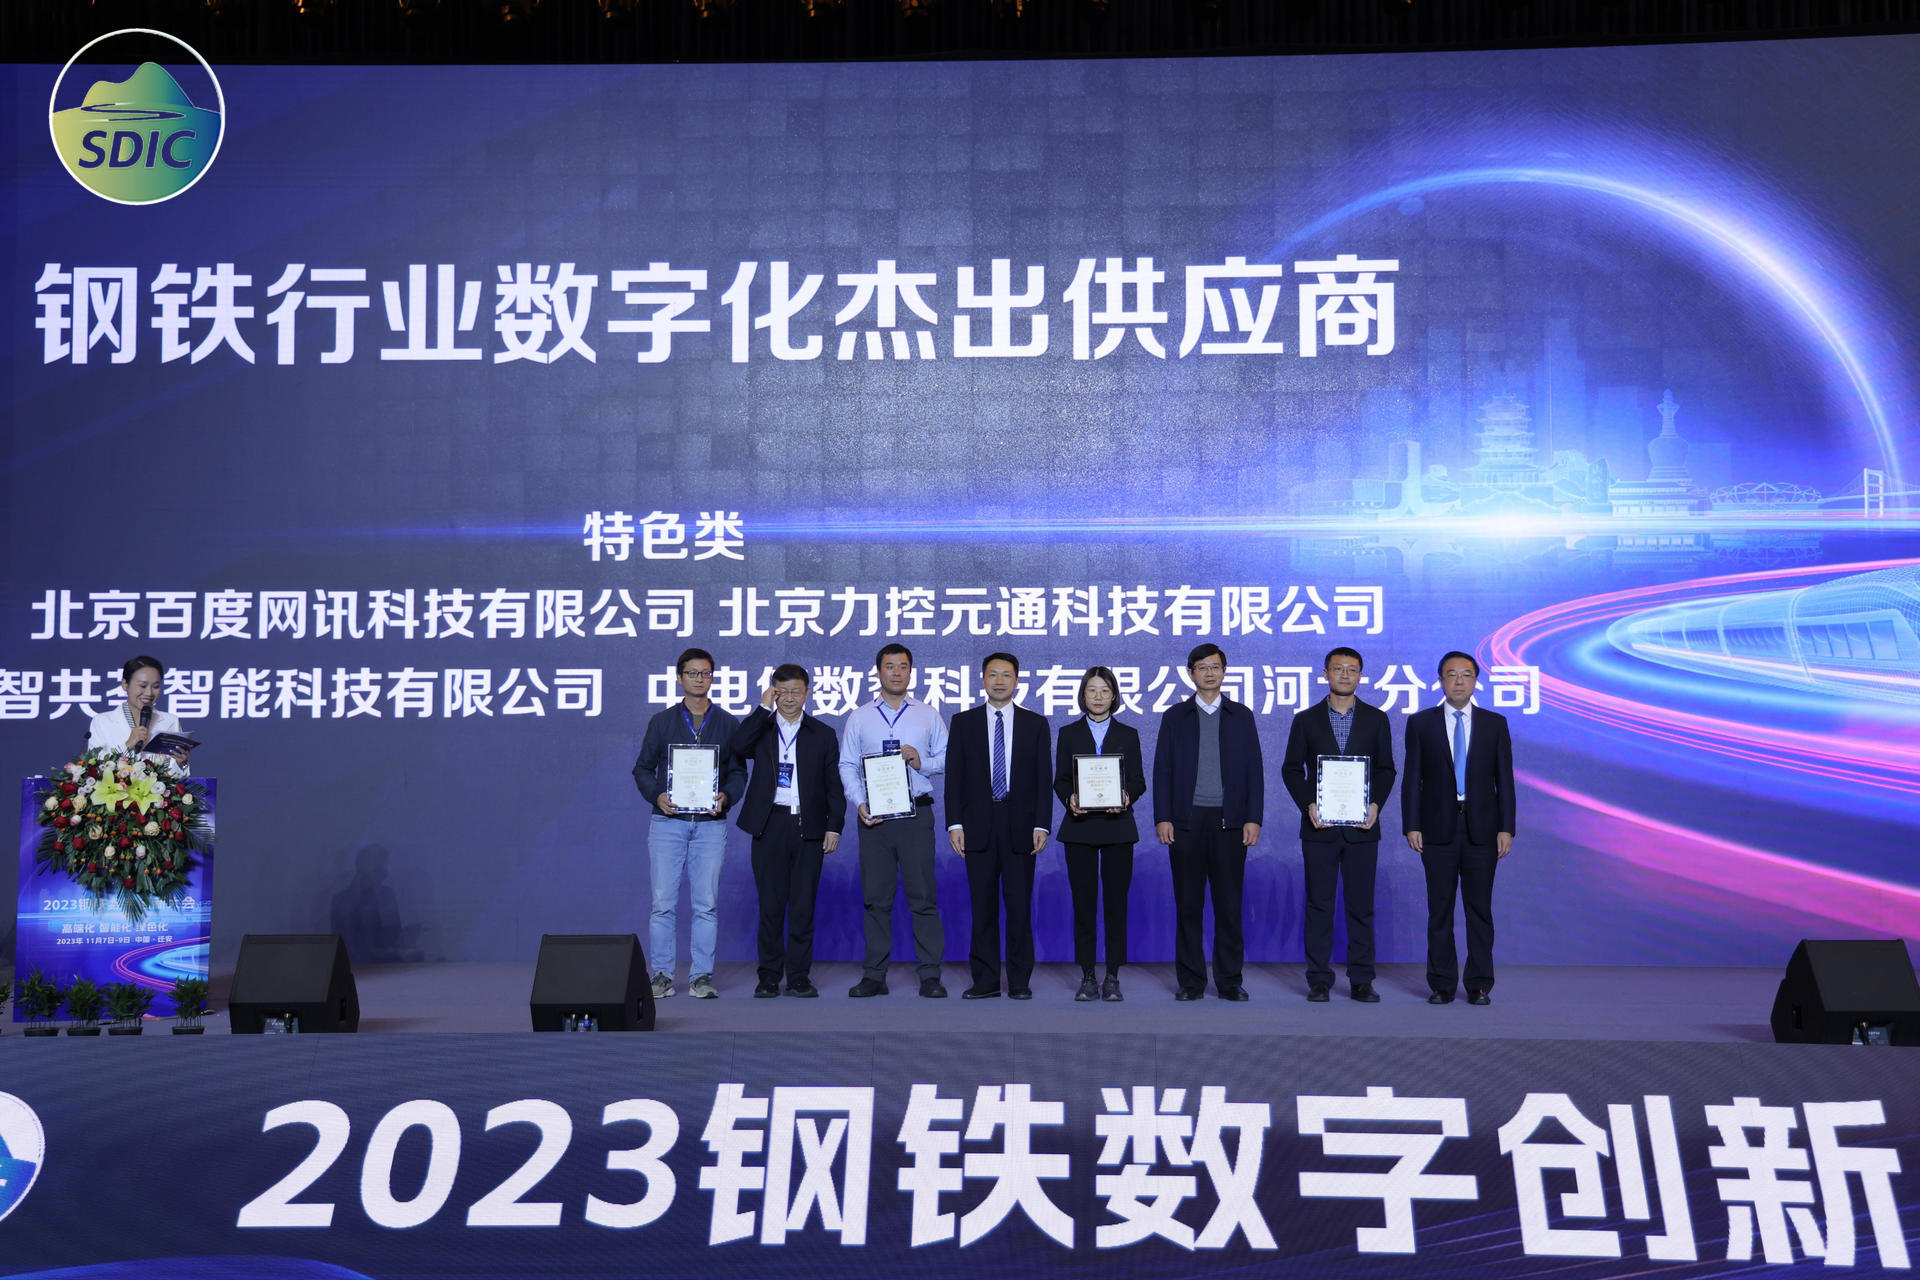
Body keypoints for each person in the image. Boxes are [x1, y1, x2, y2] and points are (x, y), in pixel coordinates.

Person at [1281, 645, 1397, 1003]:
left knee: (1361, 906)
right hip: (1320, 828)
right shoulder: (1306, 720)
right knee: (1319, 905)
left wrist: (1375, 803)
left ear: (1360, 675)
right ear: (1326, 674)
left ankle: (1362, 979)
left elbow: (1386, 769)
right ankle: (1319, 979)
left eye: (1352, 669)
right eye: (1338, 668)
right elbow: (1291, 769)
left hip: (1363, 828)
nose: (1345, 674)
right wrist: (1309, 804)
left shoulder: (1377, 719)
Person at [631, 648, 746, 1001]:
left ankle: (701, 977)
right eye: (693, 673)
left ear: (713, 678)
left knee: (706, 905)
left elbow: (738, 772)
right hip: (668, 823)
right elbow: (642, 768)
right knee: (662, 904)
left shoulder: (727, 723)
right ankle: (662, 975)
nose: (700, 679)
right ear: (679, 678)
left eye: (706, 673)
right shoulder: (662, 721)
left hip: (710, 825)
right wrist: (657, 796)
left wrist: (727, 796)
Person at [1403, 651, 1516, 1006]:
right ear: (1440, 680)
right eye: (1451, 674)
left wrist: (1506, 828)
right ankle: (1442, 984)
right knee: (1440, 911)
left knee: (1479, 910)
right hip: (1437, 829)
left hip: (1483, 830)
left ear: (1475, 681)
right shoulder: (1421, 723)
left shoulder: (1494, 724)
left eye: (1466, 675)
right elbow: (1412, 779)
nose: (1458, 681)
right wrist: (1412, 824)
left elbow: (1504, 781)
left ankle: (1479, 984)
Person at [838, 643, 950, 998]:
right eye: (890, 666)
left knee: (923, 896)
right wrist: (859, 802)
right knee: (876, 898)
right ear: (878, 671)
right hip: (875, 818)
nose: (897, 672)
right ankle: (874, 975)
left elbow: (948, 758)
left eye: (903, 666)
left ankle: (930, 975)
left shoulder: (927, 714)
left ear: (910, 671)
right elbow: (847, 764)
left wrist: (921, 762)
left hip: (916, 814)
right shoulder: (860, 717)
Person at [1153, 643, 1263, 1001]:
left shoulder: (1241, 716)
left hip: (1230, 822)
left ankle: (1230, 981)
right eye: (1202, 667)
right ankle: (1191, 982)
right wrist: (1163, 817)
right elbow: (1162, 770)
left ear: (1224, 671)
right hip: (1186, 821)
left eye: (1215, 666)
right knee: (1188, 905)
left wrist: (1253, 818)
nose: (1209, 673)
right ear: (1191, 674)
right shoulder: (1175, 717)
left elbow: (1255, 770)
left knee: (1229, 906)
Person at [729, 664, 847, 999]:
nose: (790, 698)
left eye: (796, 691)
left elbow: (833, 785)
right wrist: (762, 708)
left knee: (802, 907)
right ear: (773, 692)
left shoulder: (822, 733)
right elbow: (737, 746)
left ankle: (798, 977)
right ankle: (768, 977)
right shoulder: (762, 728)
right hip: (769, 824)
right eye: (783, 692)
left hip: (808, 826)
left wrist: (834, 826)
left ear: (807, 692)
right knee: (770, 906)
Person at [946, 653, 1052, 1000]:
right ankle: (986, 981)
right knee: (983, 907)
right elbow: (954, 778)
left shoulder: (1035, 724)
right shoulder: (963, 723)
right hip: (977, 824)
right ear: (983, 679)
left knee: (1019, 907)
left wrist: (1042, 824)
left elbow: (1043, 779)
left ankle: (1020, 980)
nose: (1000, 681)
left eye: (1007, 675)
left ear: (1017, 681)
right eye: (993, 674)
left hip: (1020, 825)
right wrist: (954, 823)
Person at [1054, 666, 1147, 1002]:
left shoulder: (1128, 734)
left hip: (1117, 828)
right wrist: (1069, 798)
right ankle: (1088, 975)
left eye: (1105, 690)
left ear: (1114, 695)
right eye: (1092, 690)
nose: (1098, 696)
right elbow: (1061, 779)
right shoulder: (1068, 733)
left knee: (1115, 905)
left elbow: (1138, 780)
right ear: (1083, 694)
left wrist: (1126, 796)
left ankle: (1113, 976)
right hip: (1079, 828)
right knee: (1084, 905)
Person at [89, 656, 191, 775]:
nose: (149, 693)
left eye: (156, 686)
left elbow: (177, 779)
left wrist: (181, 764)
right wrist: (128, 745)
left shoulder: (170, 721)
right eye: (142, 686)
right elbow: (95, 771)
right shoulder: (102, 722)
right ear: (125, 684)